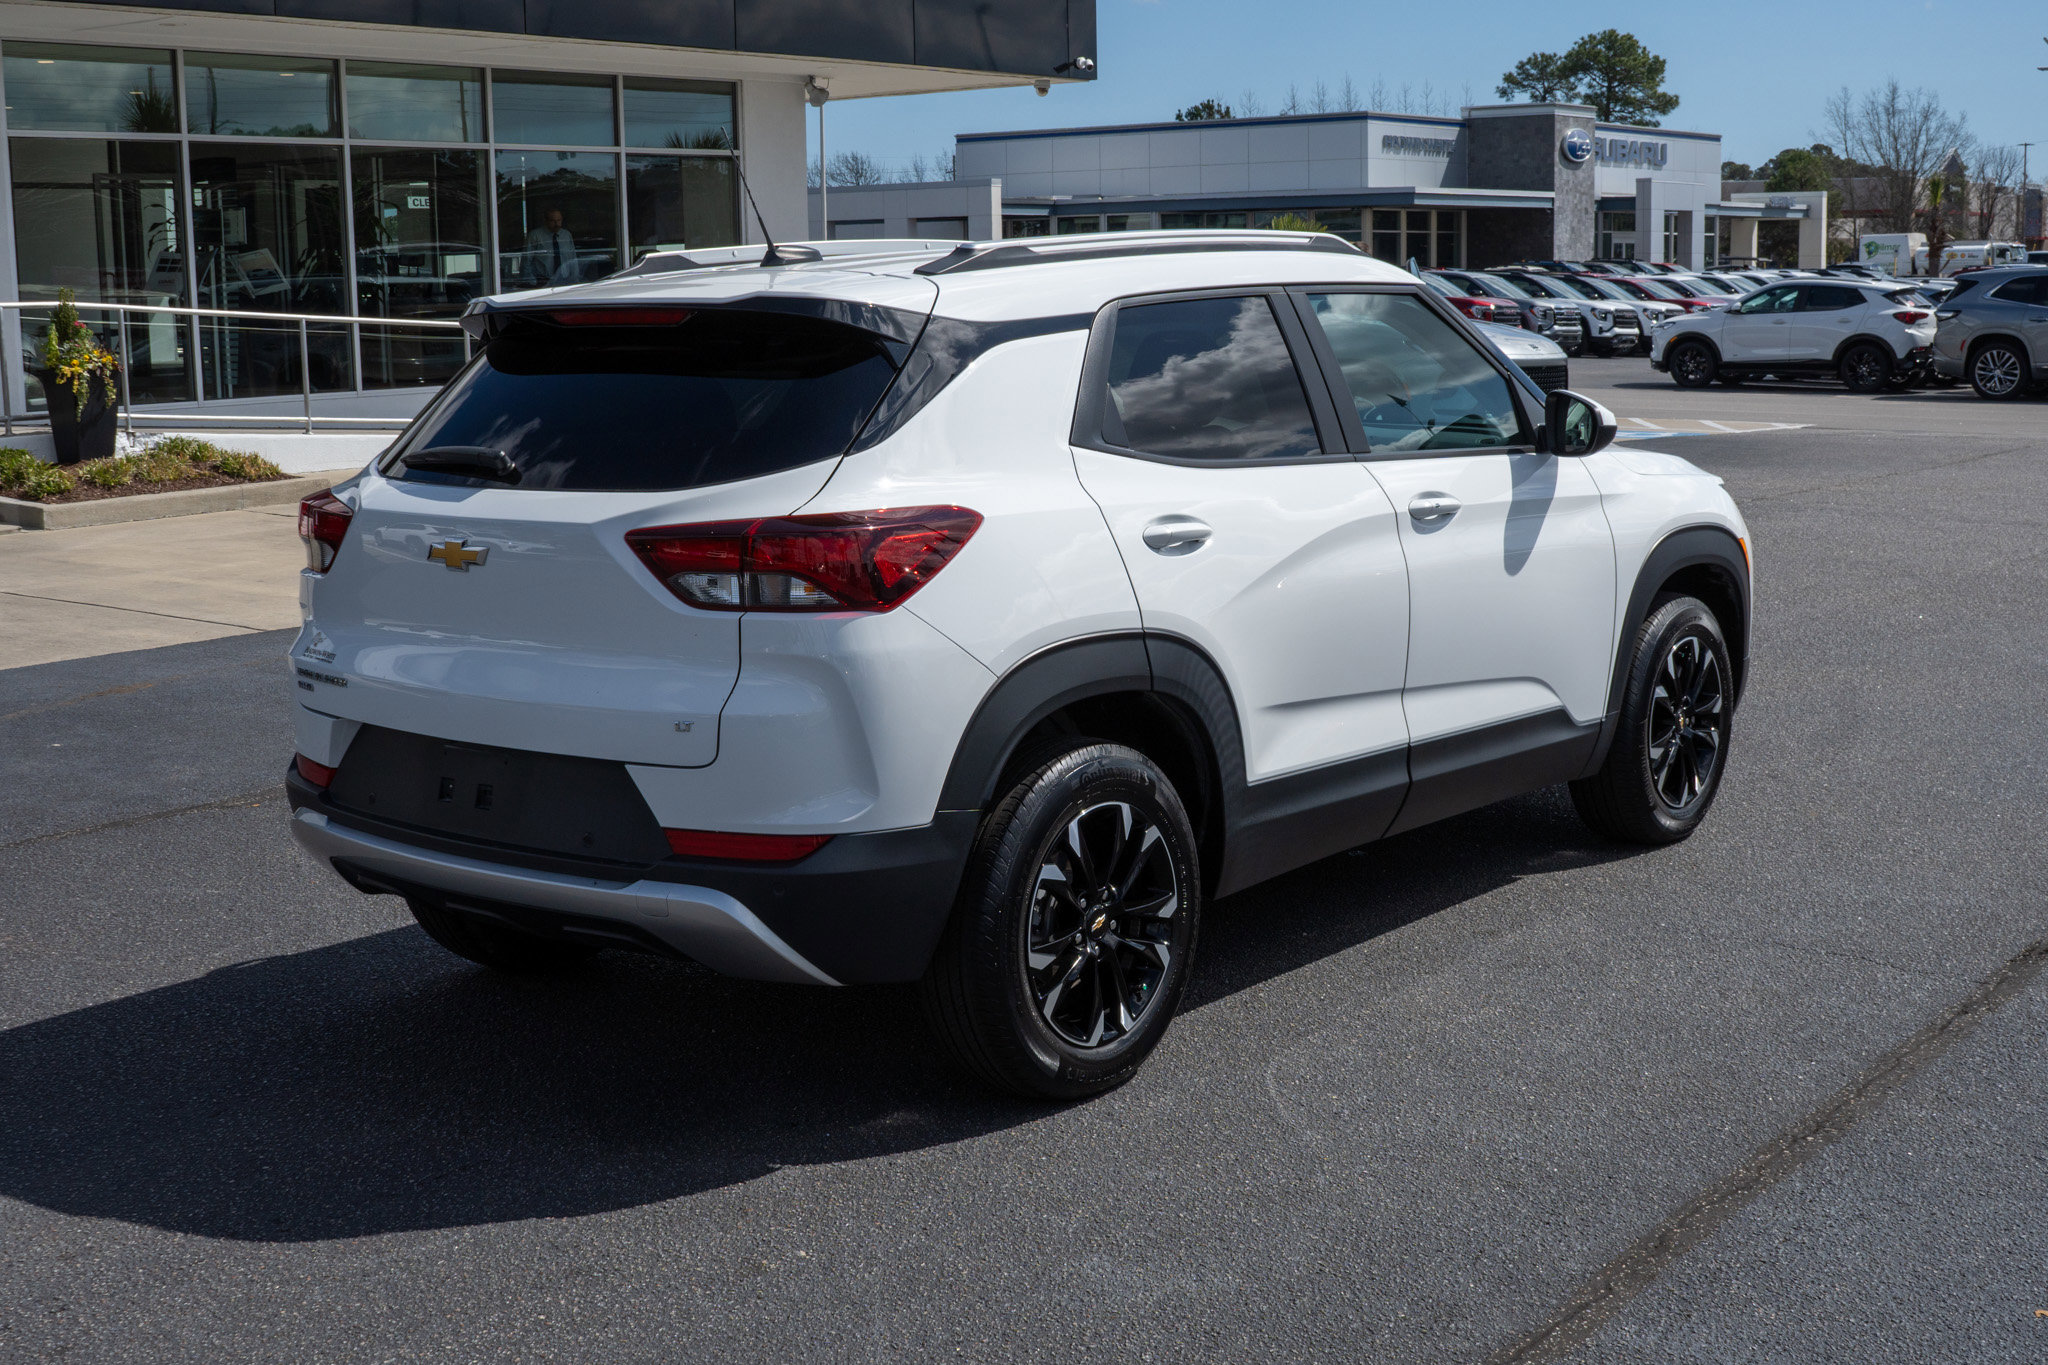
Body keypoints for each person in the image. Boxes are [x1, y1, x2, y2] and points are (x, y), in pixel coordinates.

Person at [521, 209, 578, 287]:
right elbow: (526, 261)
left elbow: (573, 258)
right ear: (546, 221)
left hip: (564, 280)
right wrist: (532, 282)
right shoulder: (535, 236)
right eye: (552, 221)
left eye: (558, 220)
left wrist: (575, 279)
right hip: (542, 280)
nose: (556, 224)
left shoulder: (566, 235)